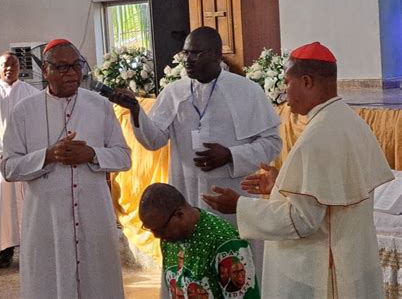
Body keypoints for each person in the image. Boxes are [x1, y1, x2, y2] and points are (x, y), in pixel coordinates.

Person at [202, 42, 395, 298]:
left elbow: (302, 220)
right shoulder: (350, 121)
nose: (284, 92)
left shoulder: (318, 136)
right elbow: (326, 196)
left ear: (306, 81)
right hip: (352, 262)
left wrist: (239, 206)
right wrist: (281, 185)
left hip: (325, 274)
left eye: (288, 82)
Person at [111, 26, 281, 279]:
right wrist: (136, 111)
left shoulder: (246, 91)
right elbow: (154, 140)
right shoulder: (174, 92)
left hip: (231, 199)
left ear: (215, 54)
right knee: (191, 274)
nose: (188, 60)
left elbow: (271, 143)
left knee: (234, 273)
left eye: (196, 54)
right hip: (186, 199)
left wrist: (232, 155)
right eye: (186, 54)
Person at [0, 39, 131, 298]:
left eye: (76, 66)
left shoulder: (100, 106)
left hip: (93, 216)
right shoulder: (23, 112)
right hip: (46, 221)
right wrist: (47, 156)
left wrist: (92, 154)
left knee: (98, 283)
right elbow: (8, 167)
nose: (71, 73)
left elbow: (124, 157)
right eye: (61, 67)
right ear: (45, 71)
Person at [139, 183, 260, 299]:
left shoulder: (225, 242)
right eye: (151, 230)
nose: (157, 236)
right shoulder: (169, 238)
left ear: (179, 215)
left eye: (160, 229)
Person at [0, 52, 38, 268]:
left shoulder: (32, 94)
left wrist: (28, 152)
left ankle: (31, 248)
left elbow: (36, 126)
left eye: (13, 64)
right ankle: (6, 251)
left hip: (25, 158)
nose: (9, 68)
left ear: (19, 66)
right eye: (5, 65)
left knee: (28, 204)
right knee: (3, 207)